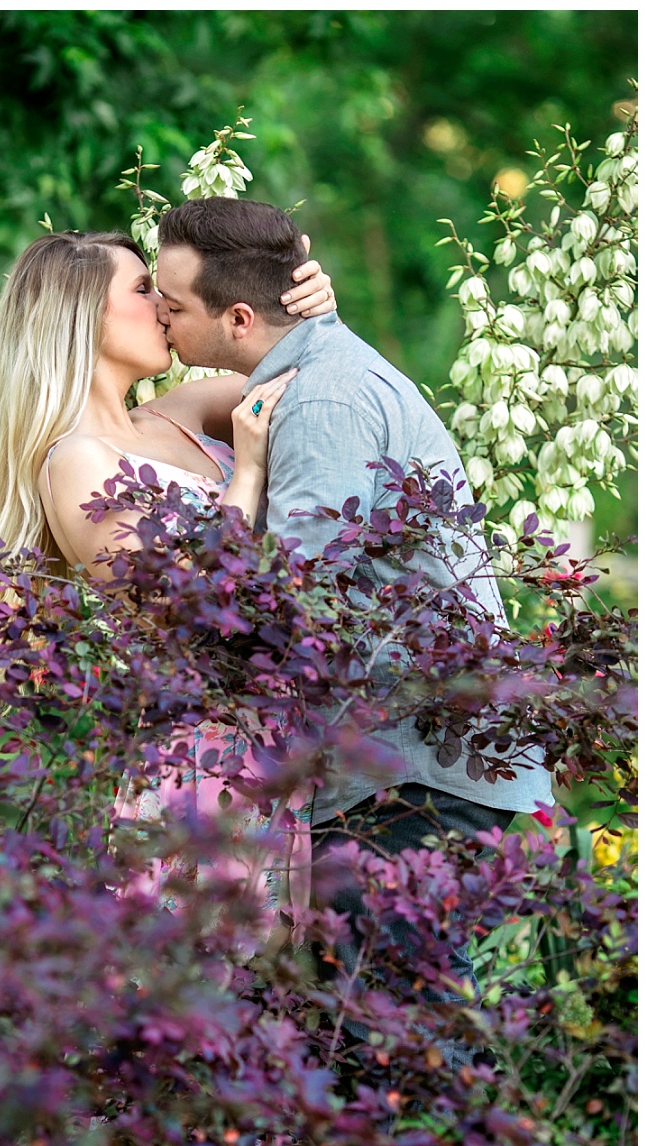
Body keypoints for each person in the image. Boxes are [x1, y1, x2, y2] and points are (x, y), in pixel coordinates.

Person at [153, 198, 553, 1052]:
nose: (160, 314)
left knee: (397, 1047)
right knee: (382, 1038)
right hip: (412, 761)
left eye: (172, 303)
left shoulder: (323, 400)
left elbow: (296, 605)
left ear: (236, 316)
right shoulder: (311, 368)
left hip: (421, 768)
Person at [0, 227, 335, 936]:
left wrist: (308, 301)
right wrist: (246, 473)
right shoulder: (73, 463)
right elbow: (192, 610)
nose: (163, 306)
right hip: (209, 762)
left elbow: (306, 374)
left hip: (293, 729)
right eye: (141, 290)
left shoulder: (185, 412)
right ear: (80, 317)